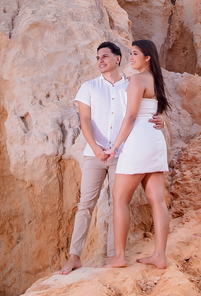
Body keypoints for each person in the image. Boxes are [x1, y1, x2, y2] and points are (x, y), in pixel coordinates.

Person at [59, 41, 165, 275]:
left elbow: (144, 112)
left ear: (118, 59)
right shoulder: (88, 87)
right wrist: (96, 148)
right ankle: (74, 257)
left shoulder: (131, 84)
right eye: (97, 58)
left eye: (105, 56)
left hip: (123, 154)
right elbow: (84, 120)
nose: (100, 61)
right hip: (95, 154)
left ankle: (113, 257)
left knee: (115, 203)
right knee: (85, 205)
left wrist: (162, 120)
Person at [104, 39, 170, 269]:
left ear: (147, 56)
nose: (131, 57)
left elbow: (131, 116)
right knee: (158, 201)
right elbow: (155, 113)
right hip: (154, 139)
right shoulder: (155, 80)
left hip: (138, 140)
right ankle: (160, 256)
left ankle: (120, 256)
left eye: (134, 53)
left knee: (120, 198)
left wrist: (114, 147)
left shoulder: (137, 79)